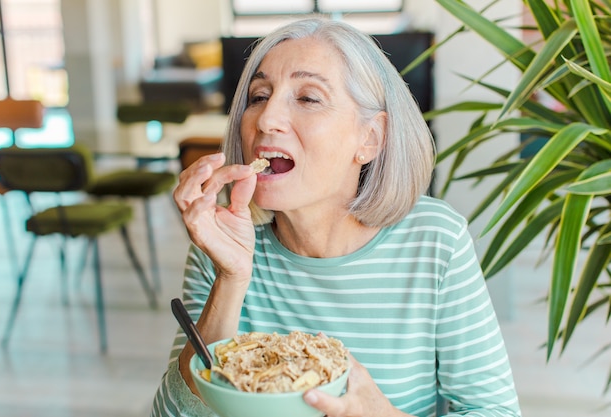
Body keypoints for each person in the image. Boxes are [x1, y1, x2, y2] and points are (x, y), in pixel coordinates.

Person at [151, 18, 522, 417]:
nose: (265, 119)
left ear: (370, 139)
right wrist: (231, 278)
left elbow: (494, 411)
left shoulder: (435, 242)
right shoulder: (222, 246)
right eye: (258, 96)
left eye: (308, 98)